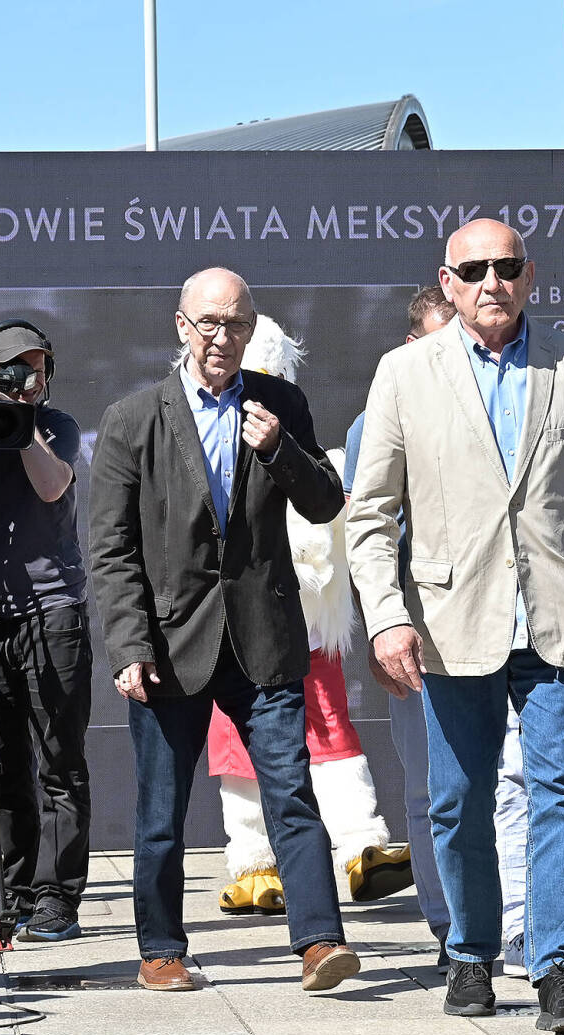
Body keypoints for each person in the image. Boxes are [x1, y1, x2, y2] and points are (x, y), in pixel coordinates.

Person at [346, 219, 564, 1035]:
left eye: (506, 266)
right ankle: (472, 952)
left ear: (529, 275)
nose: (492, 282)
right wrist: (386, 619)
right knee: (458, 801)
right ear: (447, 283)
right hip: (450, 623)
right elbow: (369, 516)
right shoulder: (405, 373)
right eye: (473, 269)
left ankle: (558, 968)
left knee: (562, 794)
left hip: (558, 616)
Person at [89, 267, 359, 993]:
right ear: (182, 327)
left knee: (290, 794)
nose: (222, 337)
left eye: (237, 324)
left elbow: (325, 503)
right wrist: (129, 646)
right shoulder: (132, 419)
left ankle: (319, 943)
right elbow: (111, 550)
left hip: (263, 638)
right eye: (209, 322)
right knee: (161, 812)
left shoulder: (280, 403)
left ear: (251, 330)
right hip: (169, 646)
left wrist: (280, 450)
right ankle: (161, 950)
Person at [344, 287, 532, 978]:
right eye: (437, 340)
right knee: (431, 791)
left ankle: (519, 927)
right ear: (410, 347)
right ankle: (450, 928)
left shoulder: (510, 400)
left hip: (506, 628)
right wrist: (382, 625)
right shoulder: (376, 418)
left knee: (513, 779)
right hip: (418, 636)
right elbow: (369, 533)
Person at [211, 316, 411, 918]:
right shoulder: (201, 449)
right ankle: (255, 862)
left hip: (306, 627)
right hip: (235, 625)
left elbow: (333, 518)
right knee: (238, 738)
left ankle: (361, 846)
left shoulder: (311, 454)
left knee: (329, 725)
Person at [0, 321, 92, 944]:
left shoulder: (54, 424)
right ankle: (11, 893)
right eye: (13, 368)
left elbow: (52, 483)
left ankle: (57, 898)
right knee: (3, 759)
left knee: (59, 760)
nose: (26, 378)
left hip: (52, 609)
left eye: (35, 368)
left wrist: (16, 417)